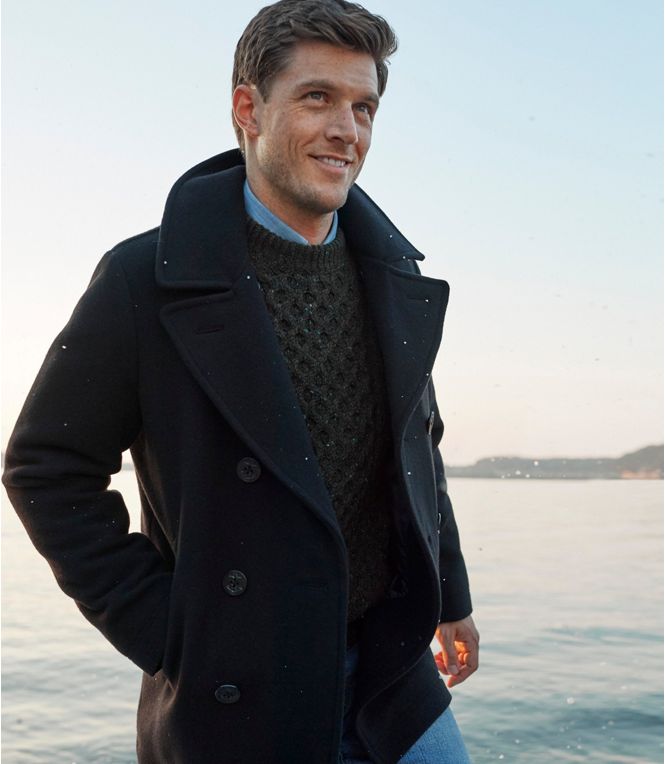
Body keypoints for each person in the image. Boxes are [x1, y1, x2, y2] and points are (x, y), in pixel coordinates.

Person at [3, 0, 479, 761]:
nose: (347, 130)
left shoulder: (390, 275)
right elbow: (45, 467)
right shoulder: (145, 279)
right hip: (242, 691)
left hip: (390, 675)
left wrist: (449, 596)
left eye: (363, 107)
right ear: (248, 109)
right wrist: (167, 630)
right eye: (317, 97)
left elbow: (419, 448)